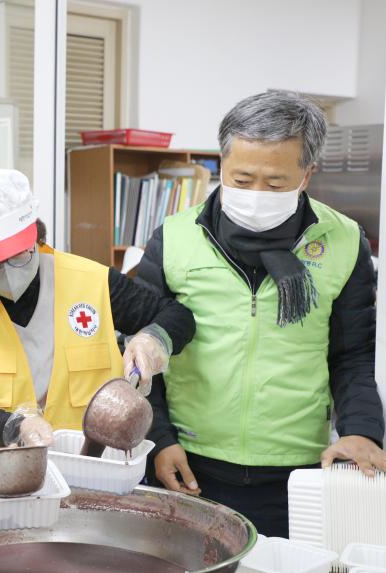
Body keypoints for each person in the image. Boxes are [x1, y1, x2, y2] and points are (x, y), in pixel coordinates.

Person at [137, 90, 386, 538]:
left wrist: (363, 432)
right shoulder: (175, 237)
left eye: (274, 184)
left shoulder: (344, 241)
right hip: (189, 463)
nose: (255, 195)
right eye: (242, 178)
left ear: (307, 175)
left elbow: (352, 356)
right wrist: (159, 439)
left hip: (295, 471)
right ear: (222, 162)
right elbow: (143, 354)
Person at [0, 166, 195, 451]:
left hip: (91, 466)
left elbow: (178, 316)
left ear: (36, 236)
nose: (9, 272)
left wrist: (153, 340)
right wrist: (14, 426)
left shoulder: (91, 281)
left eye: (19, 254)